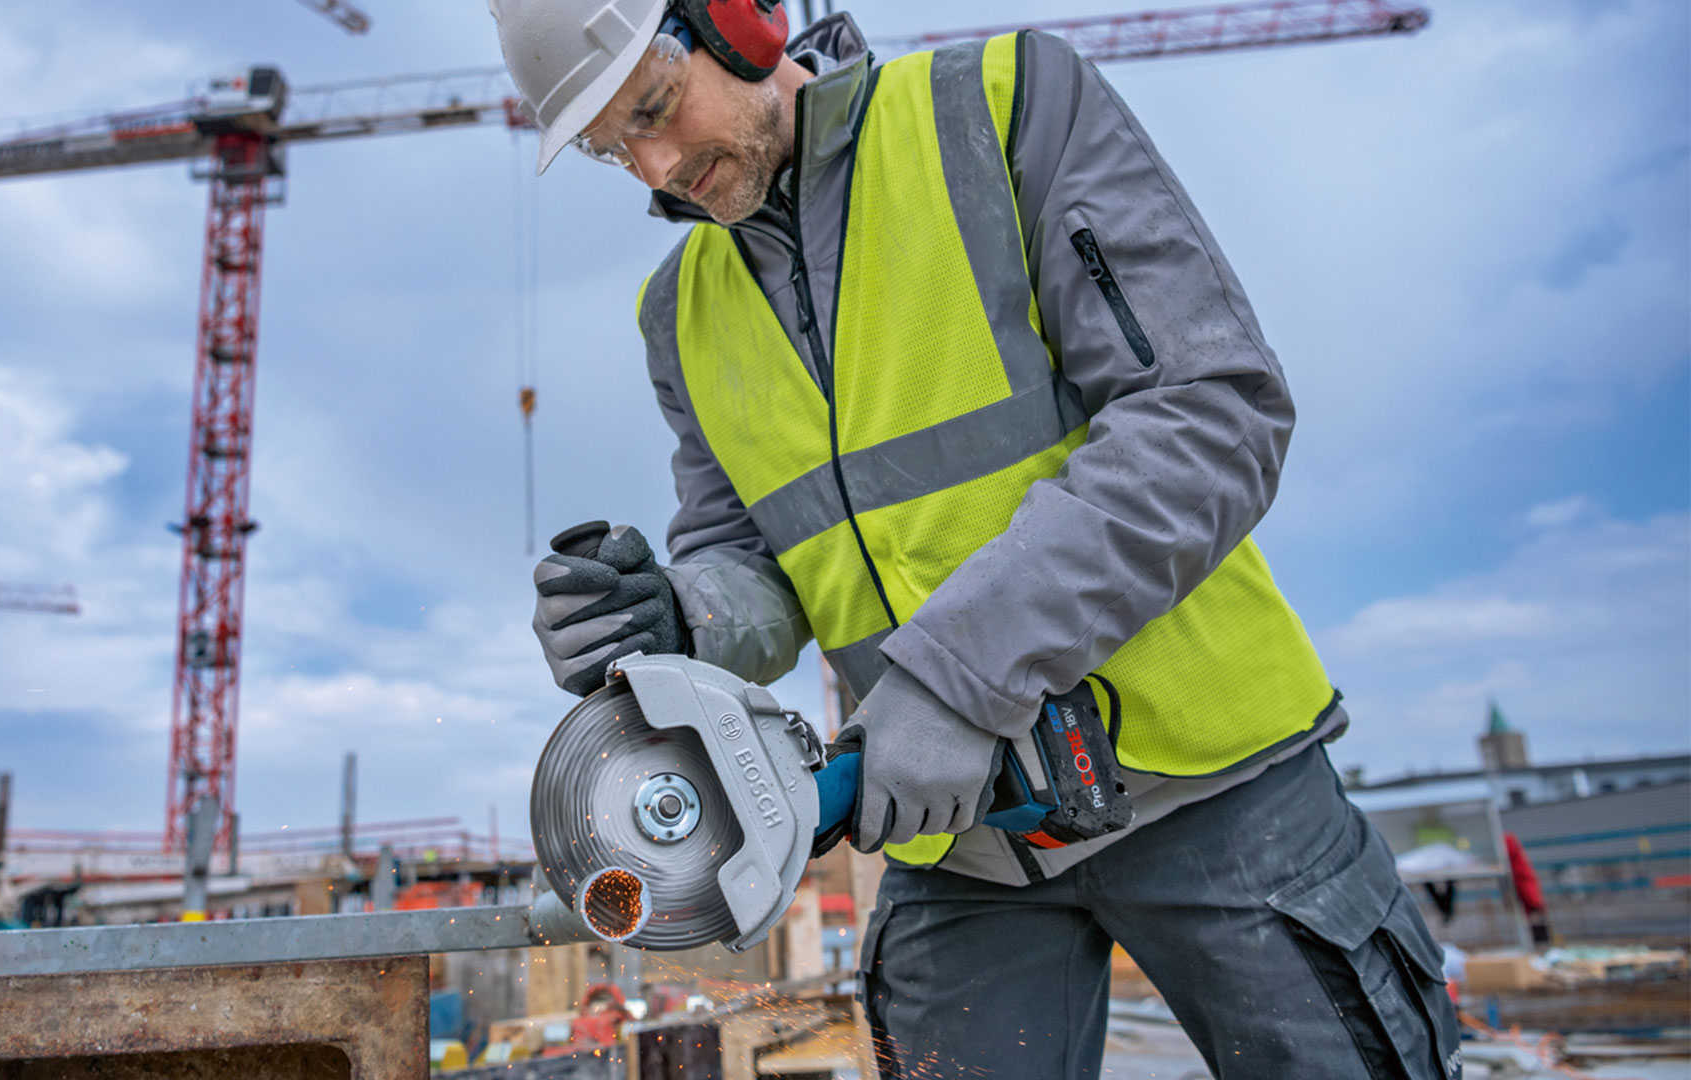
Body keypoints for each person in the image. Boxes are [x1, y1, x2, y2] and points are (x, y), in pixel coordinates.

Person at [492, 2, 1462, 1076]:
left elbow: (1210, 412)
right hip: (958, 843)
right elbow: (756, 559)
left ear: (742, 23)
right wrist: (684, 615)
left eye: (656, 108)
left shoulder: (1003, 110)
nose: (657, 167)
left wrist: (958, 680)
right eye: (611, 148)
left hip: (1212, 787)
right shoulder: (679, 310)